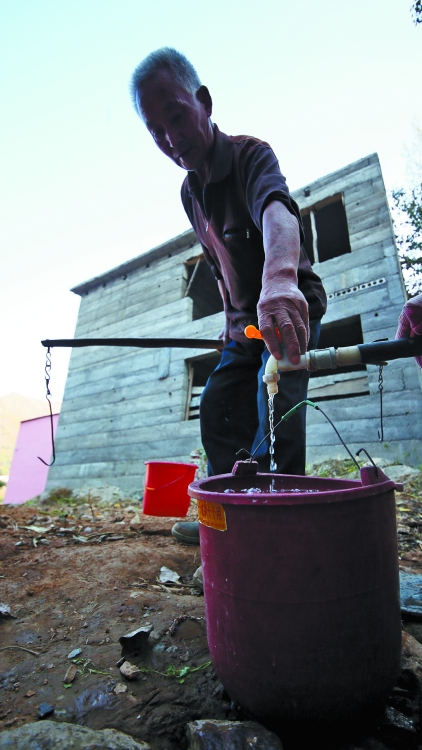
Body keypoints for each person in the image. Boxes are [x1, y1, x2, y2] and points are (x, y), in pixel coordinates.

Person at [131, 48, 327, 544]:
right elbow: (219, 263)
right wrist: (228, 328)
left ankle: (283, 525)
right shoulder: (188, 192)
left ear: (204, 102)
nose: (171, 139)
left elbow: (278, 213)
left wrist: (280, 278)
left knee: (277, 409)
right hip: (244, 325)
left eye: (176, 116)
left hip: (286, 309)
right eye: (156, 131)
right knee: (218, 403)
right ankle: (228, 520)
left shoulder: (250, 155)